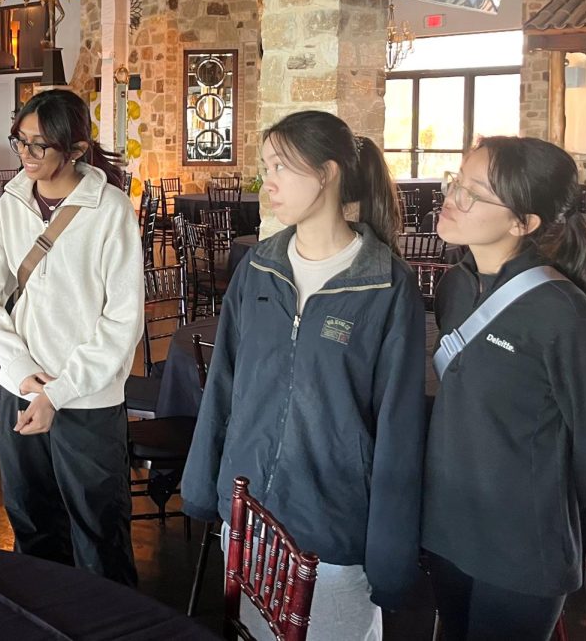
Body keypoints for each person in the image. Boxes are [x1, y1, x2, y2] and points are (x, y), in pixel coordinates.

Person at [182, 110, 427, 640]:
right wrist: (205, 486)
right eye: (265, 165)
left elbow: (399, 430)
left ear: (329, 173)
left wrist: (389, 556)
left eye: (281, 166)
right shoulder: (259, 266)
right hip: (247, 523)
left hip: (332, 530)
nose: (266, 181)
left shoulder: (384, 285)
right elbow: (223, 384)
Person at [424, 137, 586, 641]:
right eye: (456, 182)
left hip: (521, 547)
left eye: (474, 193)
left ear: (523, 222)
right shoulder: (455, 287)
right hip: (446, 529)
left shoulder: (563, 315)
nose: (452, 198)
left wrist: (535, 500)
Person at [0, 89, 144, 586]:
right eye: (19, 142)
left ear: (75, 149)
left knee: (99, 534)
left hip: (87, 402)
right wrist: (24, 375)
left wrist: (59, 392)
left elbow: (122, 322)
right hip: (20, 395)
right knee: (32, 526)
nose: (24, 156)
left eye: (38, 146)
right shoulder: (11, 204)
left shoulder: (109, 210)